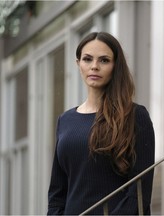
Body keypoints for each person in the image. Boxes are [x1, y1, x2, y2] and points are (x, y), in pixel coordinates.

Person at [47, 32, 155, 215]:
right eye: (87, 59)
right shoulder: (65, 121)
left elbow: (139, 192)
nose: (94, 66)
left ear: (115, 66)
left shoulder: (135, 116)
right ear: (78, 64)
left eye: (104, 60)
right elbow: (57, 194)